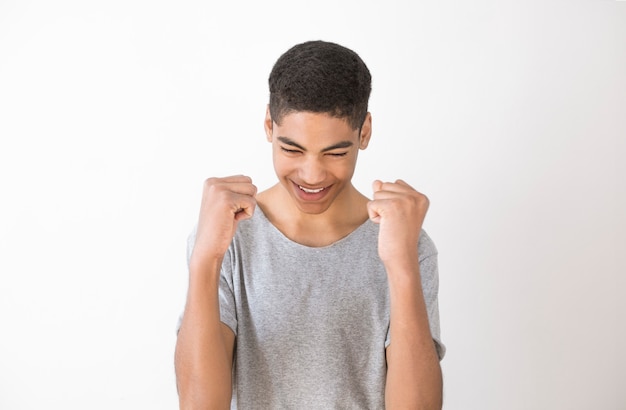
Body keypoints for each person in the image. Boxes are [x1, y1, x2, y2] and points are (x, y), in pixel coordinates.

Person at [174, 40, 445, 409]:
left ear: (364, 132)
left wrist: (402, 267)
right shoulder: (228, 236)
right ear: (269, 124)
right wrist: (205, 260)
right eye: (292, 150)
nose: (312, 175)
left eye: (335, 153)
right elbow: (200, 405)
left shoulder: (407, 244)